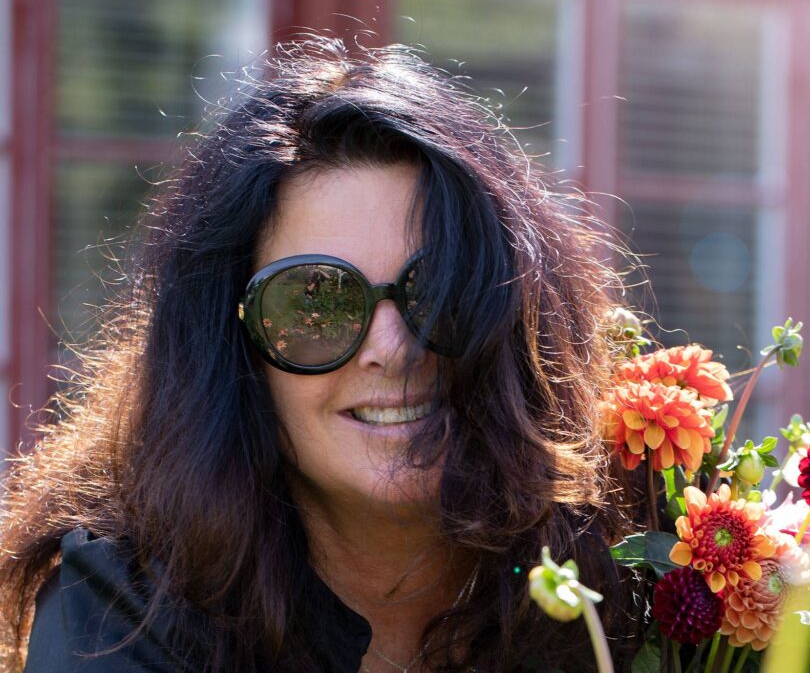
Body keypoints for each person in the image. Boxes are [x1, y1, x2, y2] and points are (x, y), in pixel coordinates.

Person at [0, 37, 647, 672]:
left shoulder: (647, 571)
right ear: (235, 350)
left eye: (442, 288)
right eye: (314, 302)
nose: (393, 349)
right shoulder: (123, 616)